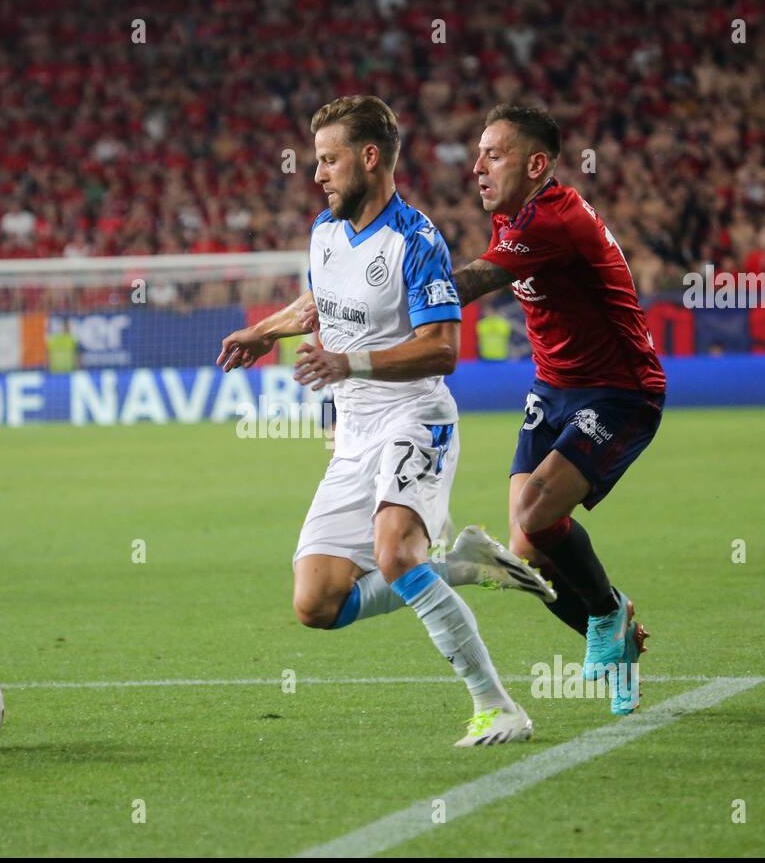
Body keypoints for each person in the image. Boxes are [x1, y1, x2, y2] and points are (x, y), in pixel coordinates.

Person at [218, 96, 554, 748]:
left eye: (329, 160)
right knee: (316, 604)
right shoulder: (324, 231)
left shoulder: (417, 240)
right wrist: (266, 330)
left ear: (370, 159)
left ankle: (497, 706)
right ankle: (457, 565)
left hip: (414, 417)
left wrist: (351, 363)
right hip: (352, 437)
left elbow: (443, 349)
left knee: (396, 556)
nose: (317, 173)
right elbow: (321, 300)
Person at [449, 105, 666, 714]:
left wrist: (375, 287)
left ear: (537, 164)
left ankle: (607, 611)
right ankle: (617, 636)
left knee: (537, 511)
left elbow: (465, 285)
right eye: (479, 154)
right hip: (554, 390)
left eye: (494, 154)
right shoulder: (517, 218)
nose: (477, 167)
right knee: (527, 555)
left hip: (619, 392)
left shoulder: (553, 220)